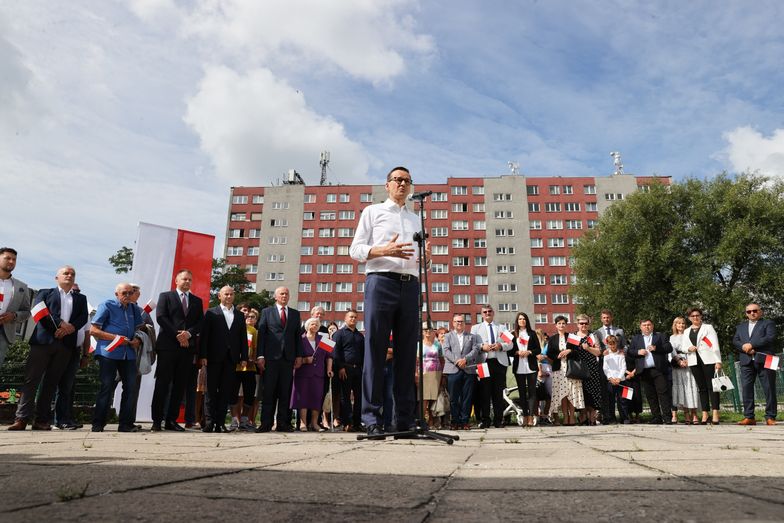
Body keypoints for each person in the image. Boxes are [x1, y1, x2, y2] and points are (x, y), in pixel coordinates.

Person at [349, 166, 430, 439]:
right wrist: (382, 250)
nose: (402, 184)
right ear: (387, 185)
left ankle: (403, 420)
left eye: (407, 180)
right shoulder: (373, 212)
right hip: (380, 282)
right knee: (375, 350)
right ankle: (372, 418)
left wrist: (425, 258)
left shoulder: (416, 219)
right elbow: (355, 249)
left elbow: (418, 257)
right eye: (397, 180)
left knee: (407, 354)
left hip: (410, 285)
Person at [8, 266, 88, 431]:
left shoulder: (81, 298)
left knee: (51, 383)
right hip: (43, 342)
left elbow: (82, 318)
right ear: (56, 277)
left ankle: (41, 420)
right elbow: (40, 313)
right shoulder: (44, 293)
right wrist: (59, 326)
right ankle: (21, 419)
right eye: (66, 273)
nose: (69, 275)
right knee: (32, 380)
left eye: (73, 274)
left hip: (66, 345)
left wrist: (70, 328)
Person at [151, 269, 204, 432]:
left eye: (190, 279)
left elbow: (200, 322)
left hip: (187, 348)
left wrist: (188, 334)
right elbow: (161, 317)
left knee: (179, 386)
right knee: (162, 384)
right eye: (184, 279)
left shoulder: (196, 300)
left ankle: (171, 420)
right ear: (176, 281)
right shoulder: (166, 296)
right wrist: (177, 335)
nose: (187, 282)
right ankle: (157, 420)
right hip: (168, 346)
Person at [90, 283, 144, 432]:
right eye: (124, 293)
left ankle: (125, 424)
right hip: (109, 352)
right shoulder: (106, 305)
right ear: (116, 294)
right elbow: (93, 330)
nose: (128, 296)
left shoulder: (134, 308)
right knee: (106, 386)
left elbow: (140, 329)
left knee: (131, 388)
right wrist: (116, 337)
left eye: (130, 293)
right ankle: (98, 424)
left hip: (128, 354)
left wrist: (138, 340)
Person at [199, 286, 248, 433]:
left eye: (231, 294)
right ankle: (209, 421)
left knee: (226, 391)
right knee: (211, 390)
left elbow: (242, 338)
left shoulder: (239, 315)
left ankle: (220, 422)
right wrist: (203, 355)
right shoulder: (211, 313)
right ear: (219, 296)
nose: (229, 296)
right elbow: (205, 336)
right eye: (226, 294)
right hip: (213, 357)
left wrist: (244, 357)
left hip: (231, 358)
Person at [255, 287, 303, 433]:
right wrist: (260, 356)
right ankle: (266, 423)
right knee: (269, 392)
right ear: (275, 296)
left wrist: (299, 355)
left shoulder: (295, 314)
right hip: (270, 358)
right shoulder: (266, 312)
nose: (284, 295)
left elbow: (297, 337)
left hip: (288, 359)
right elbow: (262, 335)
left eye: (287, 293)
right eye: (281, 293)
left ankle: (283, 423)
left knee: (285, 392)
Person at [53, 283, 90, 430]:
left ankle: (66, 418)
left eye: (78, 291)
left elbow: (87, 334)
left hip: (75, 350)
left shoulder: (83, 314)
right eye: (73, 291)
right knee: (55, 385)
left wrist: (86, 355)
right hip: (59, 348)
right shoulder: (61, 308)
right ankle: (55, 419)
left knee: (68, 387)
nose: (76, 293)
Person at [733, 303, 778, 426]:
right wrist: (744, 347)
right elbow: (735, 340)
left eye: (755, 310)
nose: (752, 313)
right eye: (749, 311)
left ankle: (770, 417)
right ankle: (749, 417)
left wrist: (751, 345)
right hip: (746, 360)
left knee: (769, 388)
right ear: (746, 313)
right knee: (746, 388)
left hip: (765, 359)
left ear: (760, 311)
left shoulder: (768, 323)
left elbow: (770, 337)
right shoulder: (740, 327)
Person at [470, 305, 513, 428]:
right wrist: (482, 346)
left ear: (493, 313)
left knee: (498, 393)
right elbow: (473, 344)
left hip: (499, 363)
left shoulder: (502, 327)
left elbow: (509, 344)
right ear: (482, 314)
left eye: (489, 311)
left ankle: (498, 420)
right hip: (484, 363)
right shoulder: (476, 328)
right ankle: (485, 420)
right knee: (484, 392)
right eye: (485, 312)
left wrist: (501, 346)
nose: (487, 313)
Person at [291, 317, 334, 431]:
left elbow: (329, 356)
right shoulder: (300, 339)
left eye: (317, 325)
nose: (315, 326)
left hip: (318, 374)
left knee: (316, 398)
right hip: (302, 373)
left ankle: (314, 423)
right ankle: (303, 423)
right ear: (307, 326)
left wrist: (329, 369)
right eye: (312, 324)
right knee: (303, 398)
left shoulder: (324, 340)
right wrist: (305, 360)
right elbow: (294, 357)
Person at [628, 319, 673, 424]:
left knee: (663, 393)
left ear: (652, 326)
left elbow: (669, 347)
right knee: (650, 395)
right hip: (644, 371)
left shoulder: (660, 336)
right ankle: (656, 417)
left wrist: (656, 348)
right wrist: (638, 352)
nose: (647, 327)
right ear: (640, 327)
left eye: (649, 325)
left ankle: (667, 418)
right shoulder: (636, 338)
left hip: (659, 370)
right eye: (644, 325)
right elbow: (630, 351)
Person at [442, 313, 480, 430]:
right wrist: (457, 361)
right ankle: (455, 421)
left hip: (468, 370)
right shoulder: (448, 336)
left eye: (461, 321)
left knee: (467, 398)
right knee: (454, 398)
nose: (459, 323)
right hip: (453, 370)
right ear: (453, 323)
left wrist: (465, 360)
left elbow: (475, 350)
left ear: (465, 323)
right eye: (457, 321)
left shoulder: (471, 336)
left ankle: (464, 421)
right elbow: (446, 351)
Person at [684, 307, 722, 425]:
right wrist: (688, 348)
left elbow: (715, 344)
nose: (695, 317)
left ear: (701, 316)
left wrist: (718, 361)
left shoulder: (708, 328)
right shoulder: (686, 331)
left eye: (697, 315)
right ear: (689, 318)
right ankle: (705, 412)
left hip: (709, 360)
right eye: (692, 316)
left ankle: (715, 412)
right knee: (702, 388)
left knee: (712, 387)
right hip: (694, 361)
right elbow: (684, 346)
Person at [548, 315, 583, 426]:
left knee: (571, 393)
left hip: (571, 369)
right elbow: (549, 353)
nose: (561, 325)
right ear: (556, 325)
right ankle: (565, 417)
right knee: (562, 395)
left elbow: (578, 351)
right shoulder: (552, 338)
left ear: (566, 325)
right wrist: (558, 355)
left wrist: (569, 351)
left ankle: (572, 417)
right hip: (559, 370)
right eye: (559, 323)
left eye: (563, 323)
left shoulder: (572, 336)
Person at [332, 309, 364, 432]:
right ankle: (347, 423)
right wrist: (340, 367)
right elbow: (336, 352)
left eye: (355, 317)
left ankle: (357, 423)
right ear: (345, 319)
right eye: (351, 317)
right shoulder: (339, 334)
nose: (353, 319)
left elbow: (363, 353)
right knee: (345, 397)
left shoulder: (360, 336)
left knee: (359, 397)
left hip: (358, 370)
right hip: (345, 369)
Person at [0, 247, 31, 370]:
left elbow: (27, 312)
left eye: (14, 259)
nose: (11, 262)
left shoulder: (21, 287)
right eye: (7, 258)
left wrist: (14, 316)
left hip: (3, 333)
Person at [593, 309, 626, 422]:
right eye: (604, 317)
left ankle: (624, 417)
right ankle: (608, 416)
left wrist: (622, 351)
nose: (606, 319)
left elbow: (624, 345)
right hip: (605, 363)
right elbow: (597, 347)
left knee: (621, 395)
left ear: (611, 318)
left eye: (608, 317)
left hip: (618, 362)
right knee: (606, 392)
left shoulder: (619, 331)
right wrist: (602, 352)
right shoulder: (597, 332)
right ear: (601, 319)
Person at [229, 308, 258, 431]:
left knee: (249, 394)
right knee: (233, 393)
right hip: (235, 366)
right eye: (246, 317)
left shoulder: (253, 330)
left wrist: (253, 358)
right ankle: (234, 419)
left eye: (251, 317)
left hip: (250, 367)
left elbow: (256, 348)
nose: (248, 319)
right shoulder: (233, 328)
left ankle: (245, 419)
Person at [511, 312, 541, 427]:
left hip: (531, 367)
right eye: (520, 319)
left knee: (532, 392)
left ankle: (531, 416)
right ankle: (524, 415)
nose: (522, 321)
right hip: (519, 367)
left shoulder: (532, 334)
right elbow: (509, 350)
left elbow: (538, 349)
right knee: (522, 393)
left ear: (526, 321)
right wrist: (517, 352)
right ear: (517, 321)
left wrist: (529, 352)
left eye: (524, 319)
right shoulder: (513, 334)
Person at [572, 314, 602, 425]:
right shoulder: (573, 336)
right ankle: (582, 416)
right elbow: (570, 351)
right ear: (577, 324)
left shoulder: (593, 335)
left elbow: (599, 352)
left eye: (586, 323)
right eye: (581, 323)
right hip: (578, 368)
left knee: (593, 392)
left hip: (592, 367)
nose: (584, 325)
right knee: (581, 392)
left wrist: (588, 348)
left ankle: (592, 416)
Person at [670, 317, 700, 424]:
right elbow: (672, 352)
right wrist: (679, 361)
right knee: (681, 389)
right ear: (675, 325)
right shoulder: (672, 338)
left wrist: (688, 360)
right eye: (678, 323)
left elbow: (693, 348)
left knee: (691, 388)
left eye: (683, 323)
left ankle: (694, 414)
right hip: (677, 365)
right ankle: (686, 414)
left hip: (689, 363)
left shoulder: (689, 335)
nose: (681, 325)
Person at [418, 324, 444, 428]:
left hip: (436, 373)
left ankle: (432, 422)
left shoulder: (438, 344)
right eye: (425, 329)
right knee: (424, 399)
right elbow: (415, 361)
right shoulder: (419, 344)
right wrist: (416, 374)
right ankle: (421, 421)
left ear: (433, 331)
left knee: (434, 398)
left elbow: (442, 360)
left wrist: (443, 375)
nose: (428, 331)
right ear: (422, 332)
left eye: (430, 329)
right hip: (423, 373)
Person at [602, 335, 629, 424]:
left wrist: (619, 378)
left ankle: (624, 417)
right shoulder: (606, 355)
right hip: (611, 381)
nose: (612, 346)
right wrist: (610, 378)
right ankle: (612, 418)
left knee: (623, 400)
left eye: (614, 344)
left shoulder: (621, 354)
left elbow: (623, 367)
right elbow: (605, 368)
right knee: (611, 400)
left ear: (617, 343)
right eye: (610, 344)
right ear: (608, 344)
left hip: (621, 380)